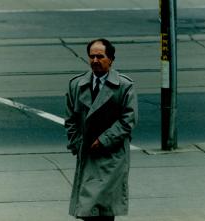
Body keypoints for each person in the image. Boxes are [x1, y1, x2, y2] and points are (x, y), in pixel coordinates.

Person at [65, 38, 138, 221]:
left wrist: (104, 140)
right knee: (89, 210)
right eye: (92, 57)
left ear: (111, 59)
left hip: (111, 157)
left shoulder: (124, 86)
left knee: (102, 211)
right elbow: (70, 119)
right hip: (87, 153)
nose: (95, 61)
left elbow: (128, 120)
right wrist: (77, 143)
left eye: (100, 56)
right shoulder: (77, 85)